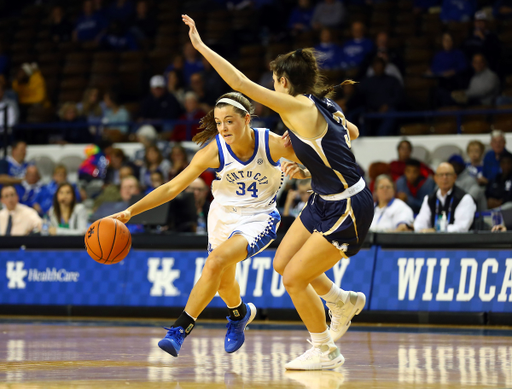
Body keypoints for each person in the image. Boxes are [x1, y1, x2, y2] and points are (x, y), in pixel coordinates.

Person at [180, 15, 373, 370]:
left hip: (348, 205)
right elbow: (352, 134)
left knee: (294, 278)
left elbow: (238, 82)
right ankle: (340, 300)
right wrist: (308, 165)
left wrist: (201, 46)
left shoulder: (296, 106)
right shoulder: (322, 104)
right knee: (282, 262)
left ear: (283, 81)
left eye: (273, 80)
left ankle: (325, 349)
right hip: (324, 197)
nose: (271, 85)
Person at [110, 91, 301, 360]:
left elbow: (319, 160)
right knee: (223, 283)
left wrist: (303, 170)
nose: (223, 128)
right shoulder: (214, 150)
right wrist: (131, 210)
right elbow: (173, 186)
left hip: (258, 217)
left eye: (230, 121)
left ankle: (179, 329)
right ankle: (239, 314)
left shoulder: (272, 143)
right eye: (219, 122)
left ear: (247, 119)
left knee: (214, 262)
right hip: (222, 215)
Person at [413, 162, 476, 232]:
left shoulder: (465, 198)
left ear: (455, 177)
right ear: (435, 178)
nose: (444, 177)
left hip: (456, 241)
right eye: (441, 175)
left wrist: (435, 231)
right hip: (432, 242)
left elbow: (462, 227)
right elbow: (419, 224)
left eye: (448, 174)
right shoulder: (429, 199)